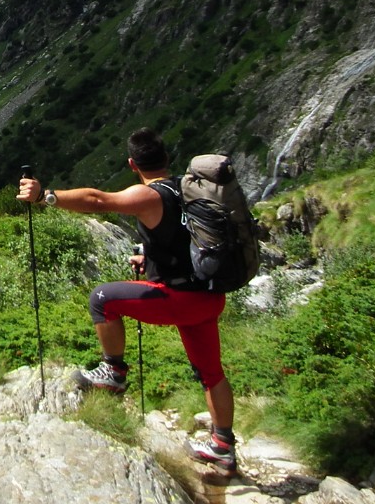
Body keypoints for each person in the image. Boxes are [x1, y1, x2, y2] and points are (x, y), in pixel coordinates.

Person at [16, 128, 238, 473]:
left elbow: (98, 200)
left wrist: (46, 195)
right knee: (211, 373)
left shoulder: (148, 195)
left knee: (102, 299)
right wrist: (147, 257)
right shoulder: (187, 189)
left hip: (178, 297)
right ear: (167, 158)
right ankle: (223, 445)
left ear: (132, 164)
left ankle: (113, 371)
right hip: (208, 296)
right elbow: (180, 238)